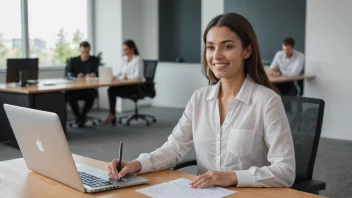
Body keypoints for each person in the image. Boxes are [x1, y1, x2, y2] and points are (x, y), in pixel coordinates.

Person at [107, 13, 295, 188]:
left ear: (247, 51)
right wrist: (135, 165)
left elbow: (285, 171)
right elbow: (174, 148)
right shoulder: (199, 98)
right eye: (211, 47)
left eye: (227, 46)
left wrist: (232, 177)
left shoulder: (267, 101)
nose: (217, 55)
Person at [100, 40, 144, 126]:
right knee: (111, 90)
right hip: (125, 85)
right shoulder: (123, 59)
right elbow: (121, 72)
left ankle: (112, 115)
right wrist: (115, 76)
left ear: (132, 49)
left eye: (126, 49)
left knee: (112, 91)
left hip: (134, 86)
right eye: (123, 49)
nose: (124, 51)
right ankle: (112, 115)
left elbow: (138, 76)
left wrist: (126, 77)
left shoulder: (138, 60)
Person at [65, 41, 99, 128]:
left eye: (87, 52)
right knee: (68, 94)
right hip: (75, 89)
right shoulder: (73, 60)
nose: (85, 54)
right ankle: (78, 117)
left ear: (89, 50)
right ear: (80, 51)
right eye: (83, 52)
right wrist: (76, 75)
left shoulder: (94, 60)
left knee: (92, 94)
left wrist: (94, 74)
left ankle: (82, 116)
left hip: (88, 89)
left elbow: (98, 72)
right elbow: (67, 74)